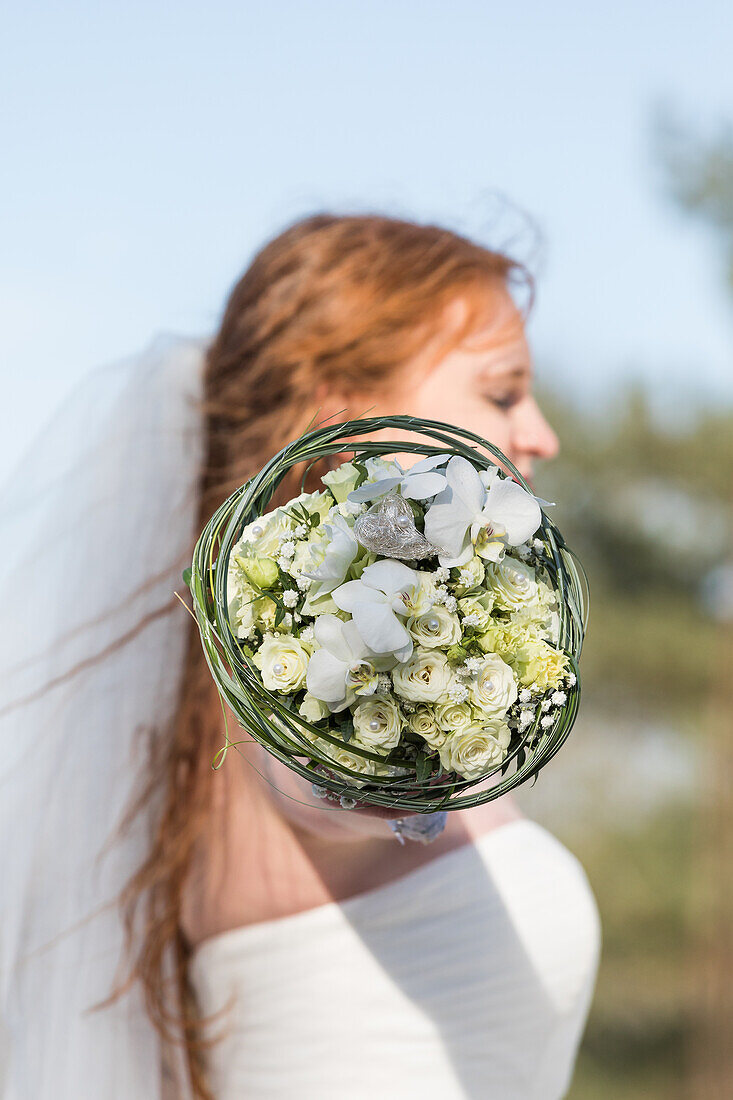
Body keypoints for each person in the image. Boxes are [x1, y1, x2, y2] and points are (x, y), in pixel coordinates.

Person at [0, 214, 601, 1099]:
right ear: (343, 410)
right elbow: (326, 792)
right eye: (503, 392)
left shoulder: (197, 694)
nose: (539, 433)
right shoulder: (292, 698)